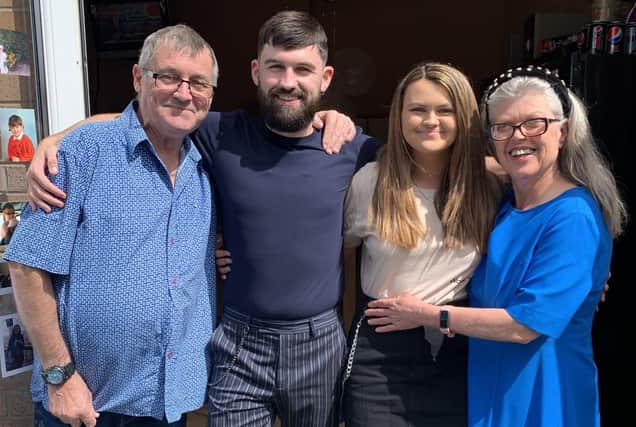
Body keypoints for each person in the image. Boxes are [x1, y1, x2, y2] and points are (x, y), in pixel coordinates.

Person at [24, 11, 378, 427]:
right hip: (238, 342)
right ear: (255, 71)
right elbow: (143, 117)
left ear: (326, 77)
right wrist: (55, 141)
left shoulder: (351, 146)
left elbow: (422, 164)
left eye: (303, 69)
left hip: (318, 341)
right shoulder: (218, 133)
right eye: (275, 67)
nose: (287, 81)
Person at [364, 66, 627, 427]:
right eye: (503, 127)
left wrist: (427, 314)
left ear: (563, 132)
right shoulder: (504, 200)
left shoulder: (573, 216)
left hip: (543, 391)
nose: (518, 137)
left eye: (535, 123)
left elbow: (524, 326)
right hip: (489, 383)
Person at [4, 24, 220, 427]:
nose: (184, 92)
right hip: (84, 404)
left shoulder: (210, 164)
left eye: (199, 83)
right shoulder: (83, 153)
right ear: (139, 78)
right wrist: (59, 375)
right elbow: (26, 265)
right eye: (168, 77)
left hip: (167, 406)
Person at [337, 62, 502, 426]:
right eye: (418, 109)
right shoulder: (371, 182)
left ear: (465, 117)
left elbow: (539, 226)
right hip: (381, 353)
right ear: (398, 117)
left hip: (461, 348)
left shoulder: (490, 185)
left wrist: (584, 271)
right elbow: (328, 254)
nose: (431, 120)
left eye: (445, 110)